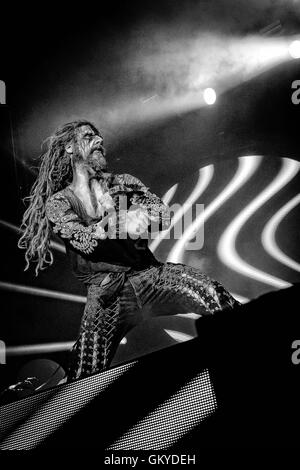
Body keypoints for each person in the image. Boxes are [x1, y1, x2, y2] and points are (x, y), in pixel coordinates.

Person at [18, 120, 239, 381]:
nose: (99, 141)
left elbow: (162, 214)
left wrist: (144, 214)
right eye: (89, 136)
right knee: (82, 378)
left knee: (211, 292)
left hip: (150, 276)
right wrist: (118, 220)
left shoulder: (123, 182)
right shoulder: (59, 203)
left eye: (99, 137)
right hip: (106, 296)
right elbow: (85, 242)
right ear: (69, 147)